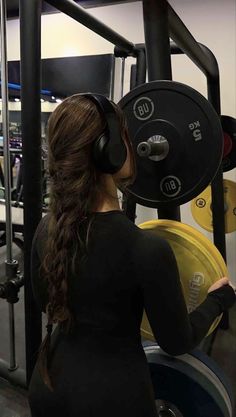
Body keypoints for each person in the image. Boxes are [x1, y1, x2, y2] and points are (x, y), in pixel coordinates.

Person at [28, 93, 236, 417]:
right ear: (110, 151)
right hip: (113, 399)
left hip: (47, 383)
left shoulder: (45, 228)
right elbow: (176, 341)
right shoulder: (145, 249)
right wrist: (218, 299)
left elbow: (46, 301)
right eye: (126, 134)